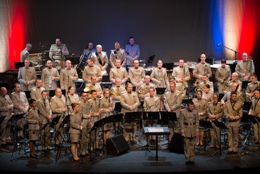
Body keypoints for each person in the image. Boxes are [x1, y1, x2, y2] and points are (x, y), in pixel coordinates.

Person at [78, 91, 92, 157]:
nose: (86, 97)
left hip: (88, 121)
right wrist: (87, 116)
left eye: (86, 95)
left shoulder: (87, 102)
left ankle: (86, 150)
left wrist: (90, 120)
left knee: (87, 136)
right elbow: (79, 114)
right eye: (84, 96)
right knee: (83, 137)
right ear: (81, 96)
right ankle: (82, 151)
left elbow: (89, 112)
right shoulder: (80, 103)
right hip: (83, 121)